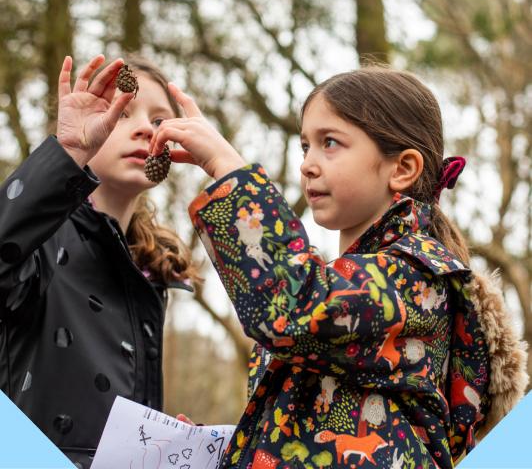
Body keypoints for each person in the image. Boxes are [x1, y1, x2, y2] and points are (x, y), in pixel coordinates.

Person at [150, 66, 528, 468]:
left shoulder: (417, 278)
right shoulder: (346, 281)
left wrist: (228, 169)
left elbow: (291, 308)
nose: (307, 165)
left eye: (329, 143)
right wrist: (231, 448)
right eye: (304, 147)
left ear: (402, 168)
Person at [0, 54, 199, 468]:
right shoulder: (41, 237)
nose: (147, 128)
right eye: (122, 112)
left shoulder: (154, 272)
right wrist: (67, 152)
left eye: (161, 120)